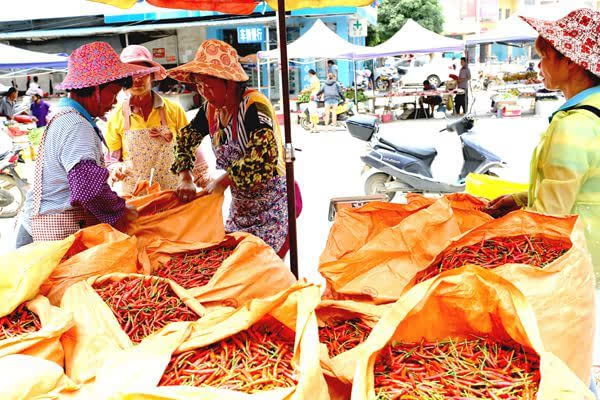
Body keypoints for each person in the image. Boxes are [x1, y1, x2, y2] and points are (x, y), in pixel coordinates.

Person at [481, 9, 600, 394]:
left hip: (575, 256)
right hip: (589, 249)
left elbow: (548, 219)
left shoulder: (574, 126)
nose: (539, 65)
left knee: (556, 352)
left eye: (544, 56)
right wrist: (518, 200)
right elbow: (575, 186)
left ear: (571, 61)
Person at [168, 39, 301, 258]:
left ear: (229, 82)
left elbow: (264, 160)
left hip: (276, 204)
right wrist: (185, 176)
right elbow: (185, 139)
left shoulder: (254, 106)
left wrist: (224, 180)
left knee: (263, 267)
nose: (204, 93)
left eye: (209, 86)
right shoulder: (210, 111)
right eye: (199, 86)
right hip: (242, 207)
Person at [15, 42, 154, 248]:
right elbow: (89, 189)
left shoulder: (66, 116)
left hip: (39, 229)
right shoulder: (76, 125)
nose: (114, 102)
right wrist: (121, 210)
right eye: (113, 94)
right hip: (47, 238)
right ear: (97, 88)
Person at [104, 45, 195, 194]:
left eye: (143, 73)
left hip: (171, 194)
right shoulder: (116, 116)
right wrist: (116, 169)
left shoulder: (174, 110)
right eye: (131, 74)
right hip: (134, 198)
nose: (137, 79)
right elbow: (112, 159)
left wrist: (198, 178)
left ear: (152, 76)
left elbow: (192, 149)